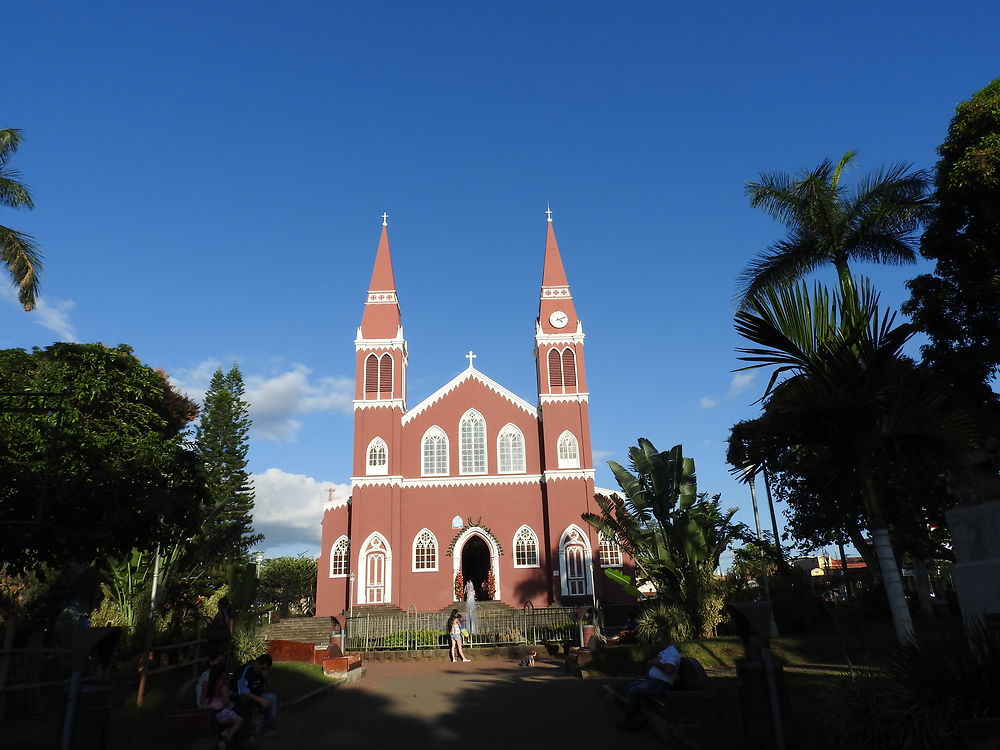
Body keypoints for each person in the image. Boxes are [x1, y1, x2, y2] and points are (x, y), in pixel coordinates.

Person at [617, 633, 681, 730]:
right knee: (629, 687)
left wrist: (656, 663)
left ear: (666, 640)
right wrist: (652, 664)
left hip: (660, 684)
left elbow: (669, 669)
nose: (657, 644)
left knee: (634, 691)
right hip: (651, 681)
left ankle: (631, 720)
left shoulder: (672, 653)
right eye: (656, 642)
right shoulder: (663, 652)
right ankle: (639, 716)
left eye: (658, 641)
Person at [196, 654, 243, 748]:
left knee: (232, 711)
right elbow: (226, 703)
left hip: (207, 712)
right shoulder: (222, 686)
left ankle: (225, 732)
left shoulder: (206, 683)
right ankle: (225, 741)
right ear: (222, 673)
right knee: (239, 720)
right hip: (219, 714)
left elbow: (201, 700)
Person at [234, 653, 278, 737]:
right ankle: (251, 734)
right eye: (262, 668)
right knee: (250, 702)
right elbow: (242, 691)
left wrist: (267, 679)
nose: (262, 671)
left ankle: (267, 729)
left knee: (272, 698)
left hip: (254, 695)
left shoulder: (261, 673)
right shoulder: (246, 670)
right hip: (240, 696)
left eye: (265, 669)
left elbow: (265, 690)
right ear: (257, 663)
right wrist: (260, 700)